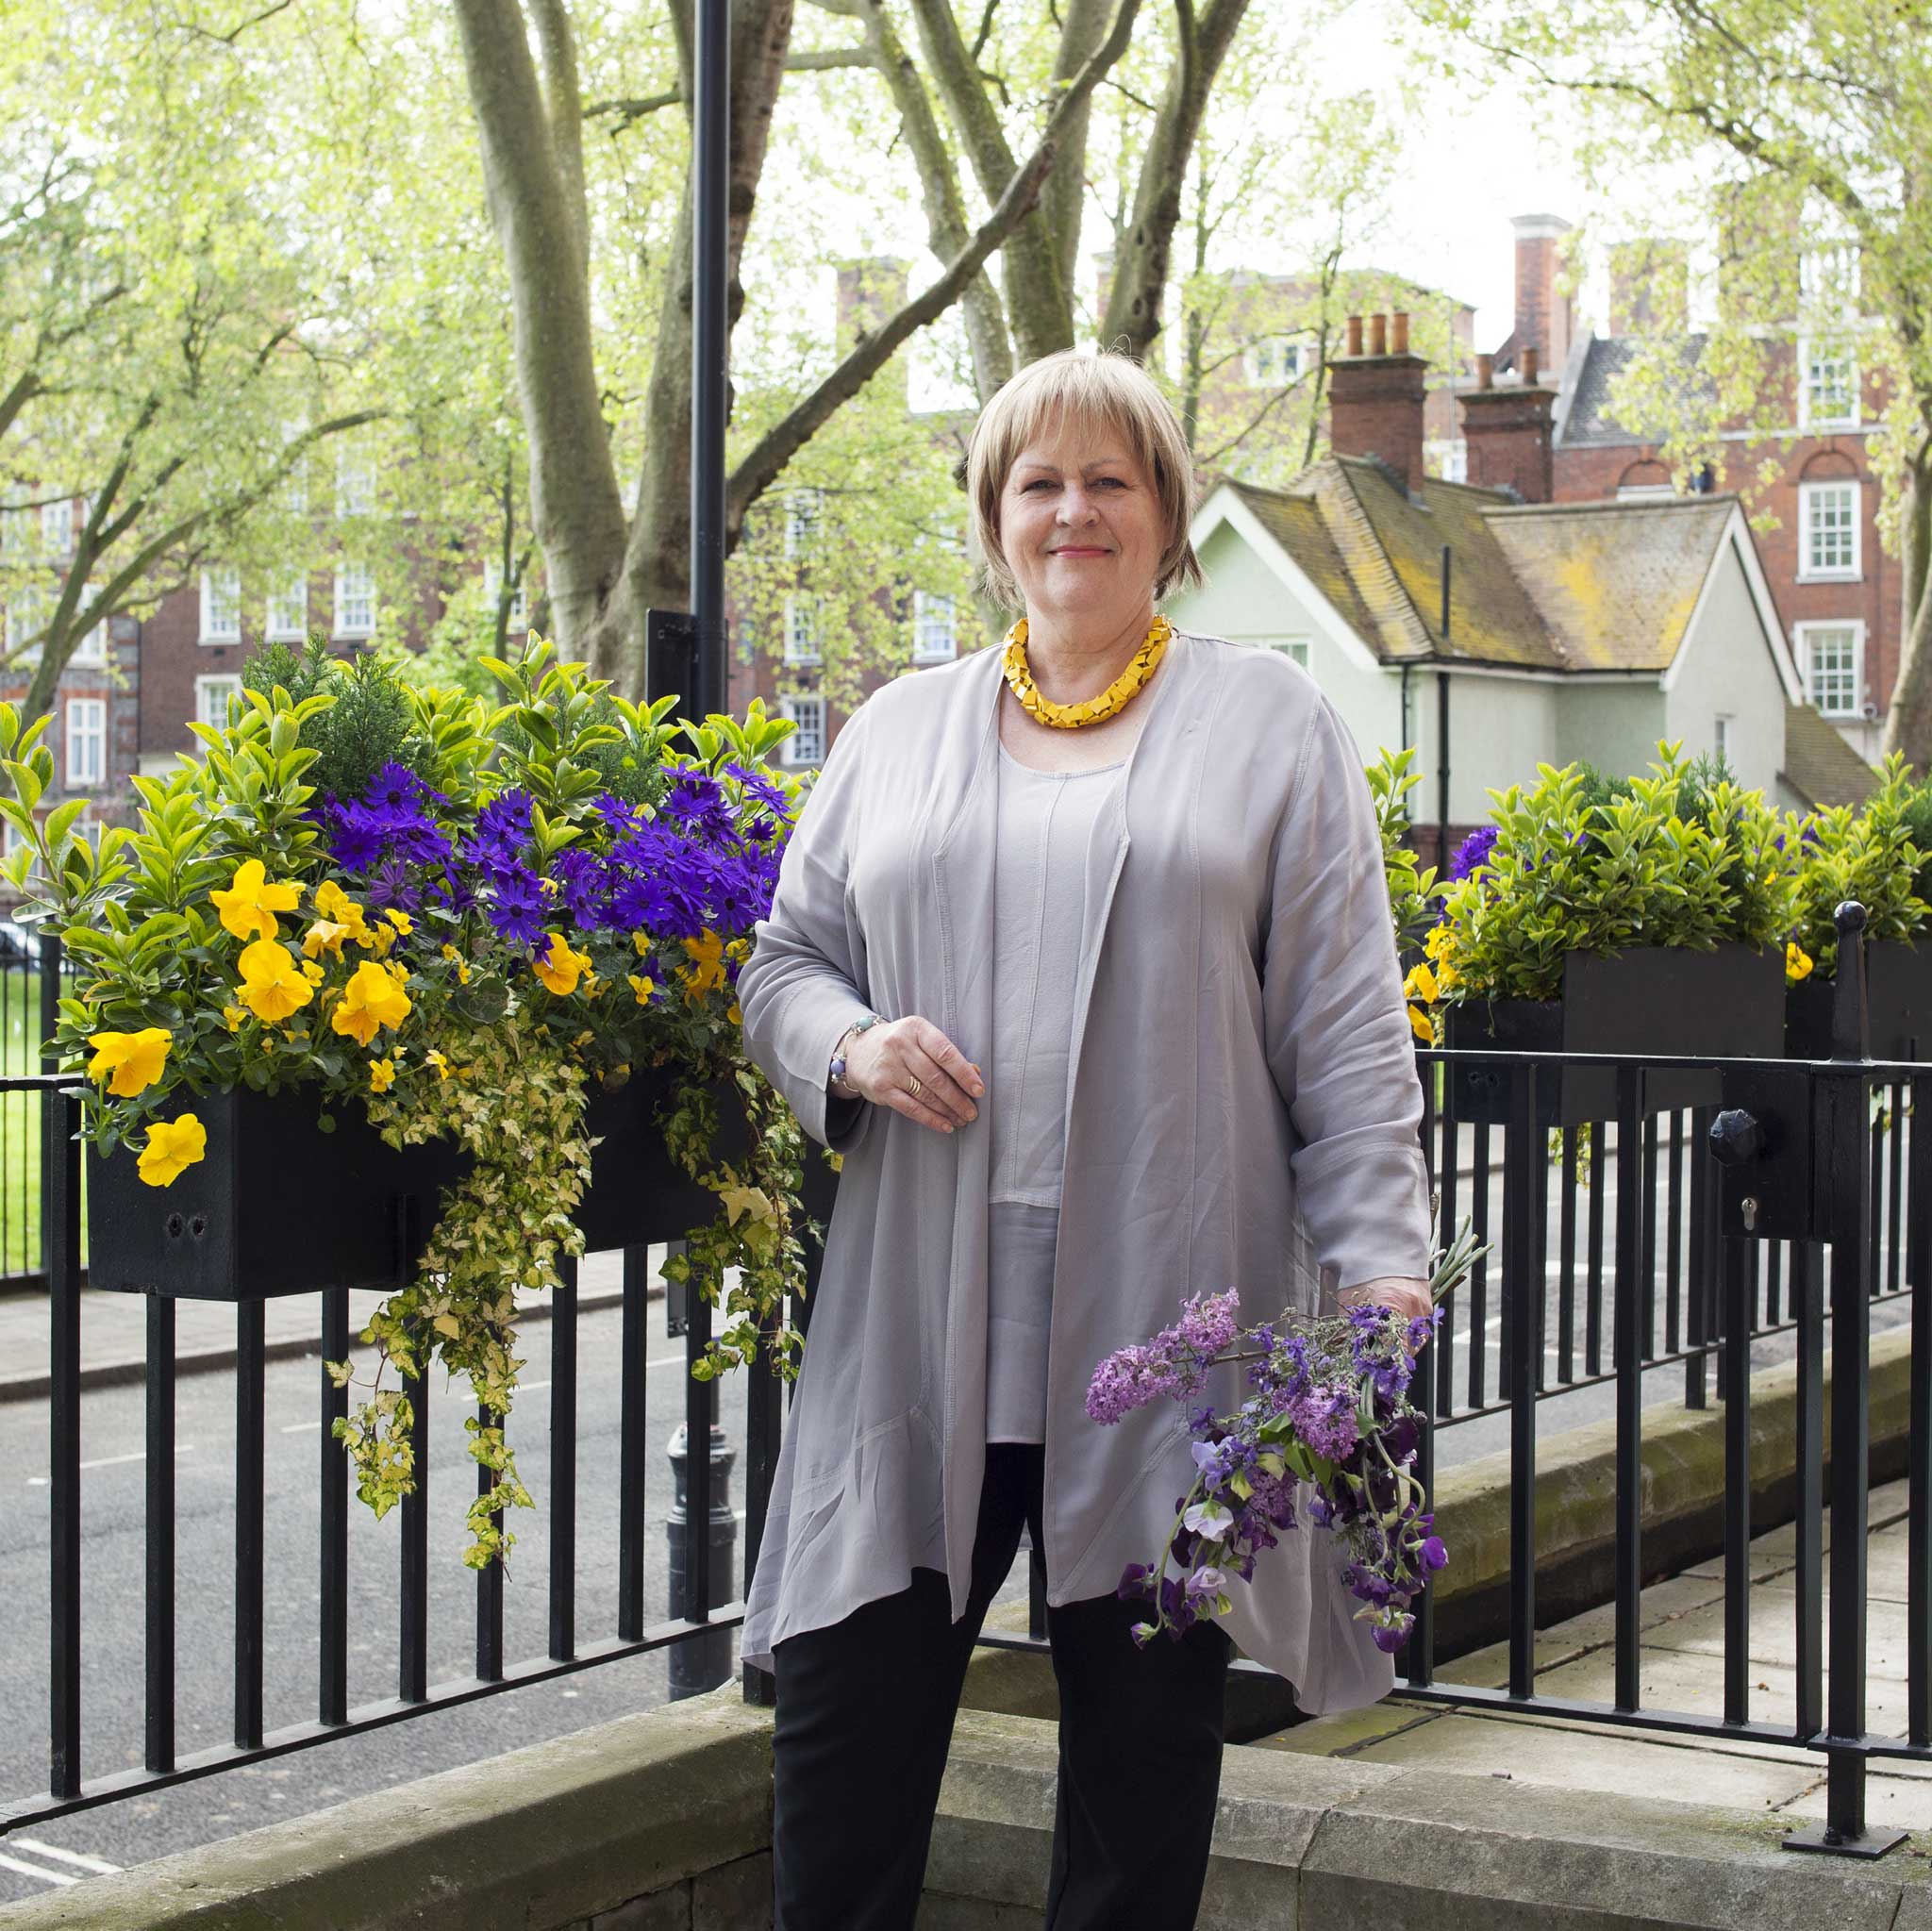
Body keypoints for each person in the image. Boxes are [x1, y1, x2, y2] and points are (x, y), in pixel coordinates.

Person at [736, 347, 1433, 1930]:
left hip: (1170, 1321)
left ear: (1168, 513)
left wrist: (1385, 1270)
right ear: (993, 520)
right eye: (1037, 483)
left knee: (1139, 1769)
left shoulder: (1273, 726)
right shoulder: (895, 730)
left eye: (1109, 480)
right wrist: (848, 1041)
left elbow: (1343, 1022)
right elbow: (784, 963)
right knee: (844, 1744)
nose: (1073, 513)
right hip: (924, 1324)